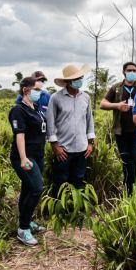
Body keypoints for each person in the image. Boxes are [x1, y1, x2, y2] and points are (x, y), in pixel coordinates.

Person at [9, 76, 48, 246]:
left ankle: (27, 220)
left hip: (38, 155)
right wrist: (24, 158)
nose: (40, 93)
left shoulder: (36, 108)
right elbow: (20, 135)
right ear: (26, 89)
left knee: (28, 188)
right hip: (25, 156)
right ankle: (23, 229)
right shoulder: (18, 110)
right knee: (36, 189)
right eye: (37, 89)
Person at [45, 63, 95, 197]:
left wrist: (90, 143)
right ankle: (59, 211)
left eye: (80, 77)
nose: (79, 80)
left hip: (82, 149)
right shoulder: (56, 98)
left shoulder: (86, 97)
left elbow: (89, 120)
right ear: (67, 81)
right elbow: (50, 122)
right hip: (64, 150)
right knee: (61, 182)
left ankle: (76, 211)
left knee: (78, 180)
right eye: (76, 78)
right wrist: (55, 145)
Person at [100, 61, 136, 193]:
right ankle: (128, 189)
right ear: (124, 72)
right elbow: (103, 104)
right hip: (121, 132)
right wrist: (117, 105)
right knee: (126, 161)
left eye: (134, 70)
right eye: (129, 70)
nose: (132, 73)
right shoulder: (116, 88)